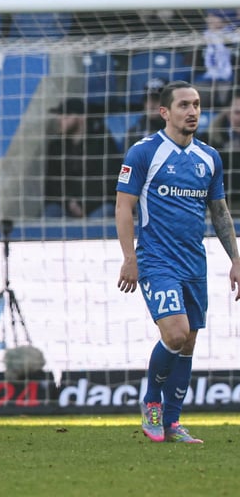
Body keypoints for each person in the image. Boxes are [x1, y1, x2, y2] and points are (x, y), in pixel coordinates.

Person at [115, 80, 240, 444]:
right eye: (184, 105)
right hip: (156, 260)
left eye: (197, 105)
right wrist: (129, 257)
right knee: (175, 332)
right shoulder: (143, 153)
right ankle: (151, 403)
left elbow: (219, 212)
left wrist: (235, 258)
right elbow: (124, 206)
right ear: (165, 112)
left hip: (194, 264)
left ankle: (172, 423)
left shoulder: (208, 158)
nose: (192, 112)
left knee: (188, 344)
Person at [43, 97, 119, 219]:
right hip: (67, 206)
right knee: (51, 212)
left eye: (66, 115)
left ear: (81, 117)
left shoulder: (102, 142)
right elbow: (52, 185)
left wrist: (84, 205)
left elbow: (110, 181)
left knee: (105, 212)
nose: (59, 119)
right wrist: (70, 203)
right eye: (59, 115)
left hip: (97, 205)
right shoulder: (56, 146)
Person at [125, 78, 167, 148]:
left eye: (156, 99)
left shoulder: (178, 129)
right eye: (147, 99)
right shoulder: (135, 132)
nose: (151, 105)